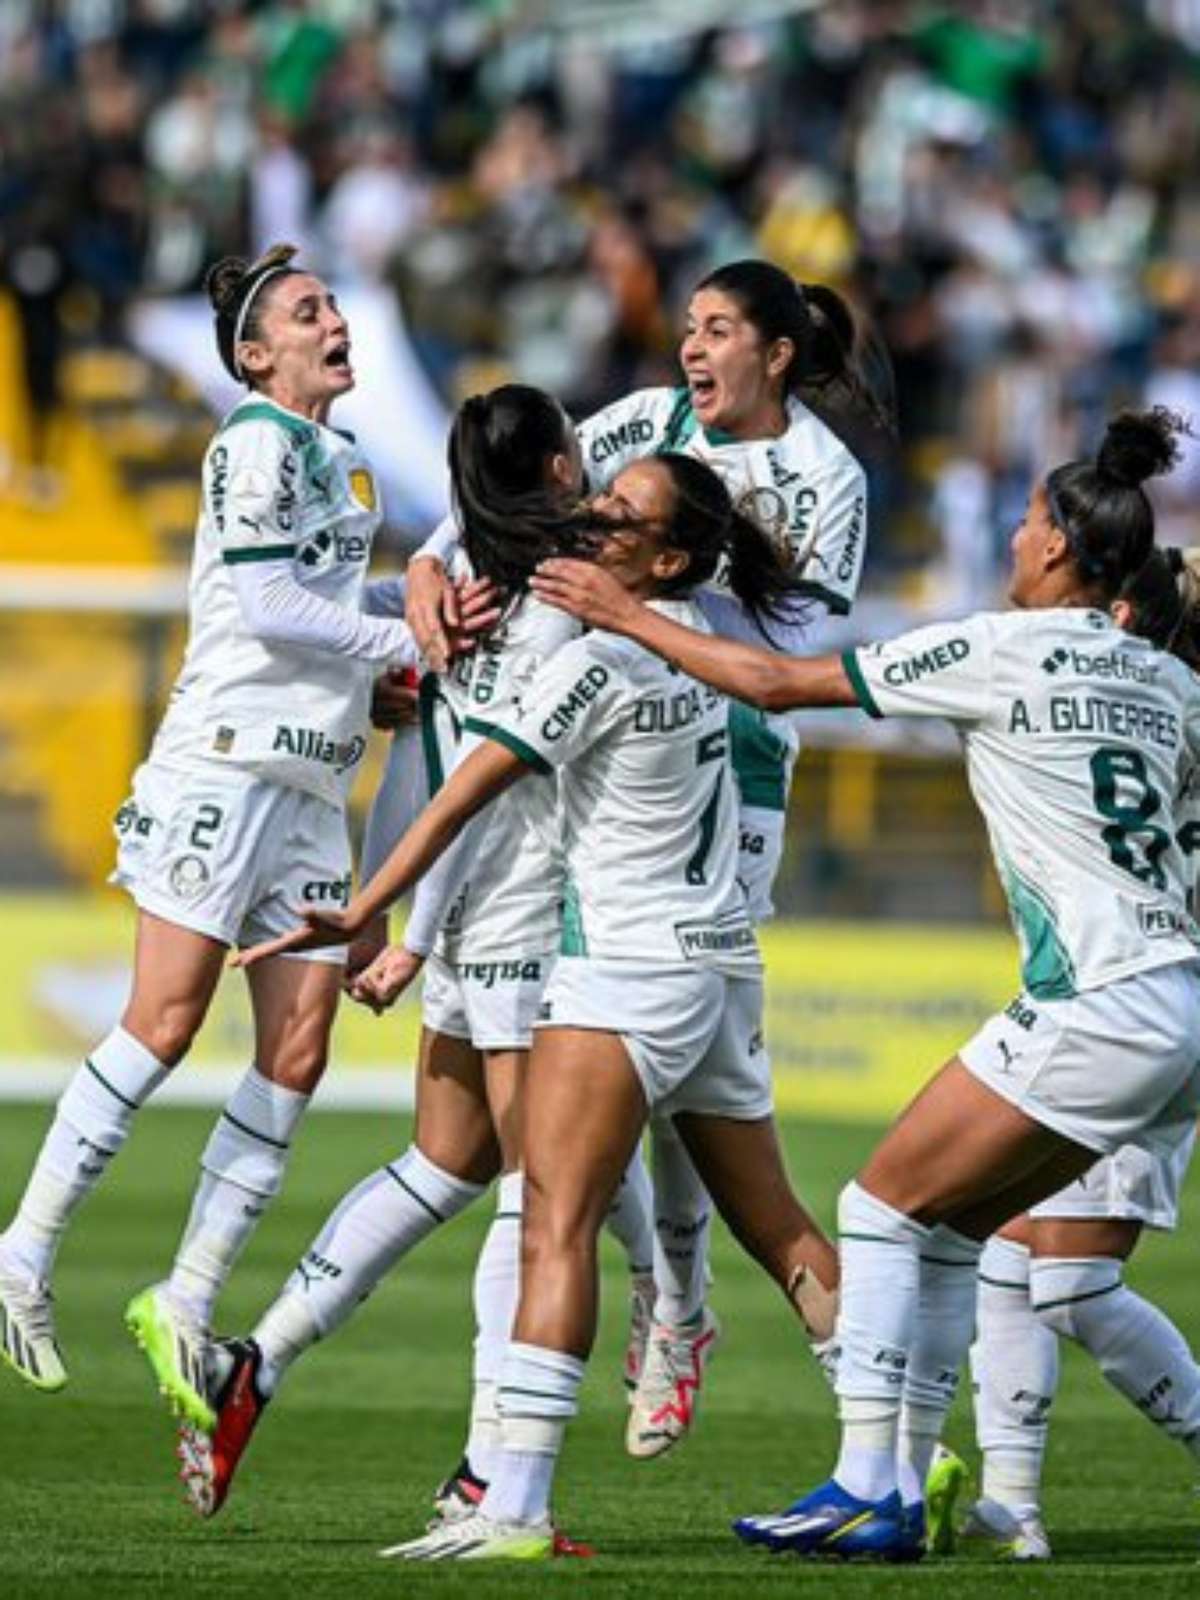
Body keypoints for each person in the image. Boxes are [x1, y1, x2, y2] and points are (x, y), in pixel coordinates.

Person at [530, 408, 1200, 1560]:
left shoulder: (999, 645)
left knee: (876, 1206)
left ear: (1052, 549)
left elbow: (778, 684)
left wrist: (626, 614)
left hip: (1098, 994)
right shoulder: (1168, 682)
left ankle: (865, 1481)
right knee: (951, 1233)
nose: (1012, 538)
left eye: (1028, 520)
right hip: (1178, 997)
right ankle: (894, 1483)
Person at [231, 450, 842, 1562]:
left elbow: (463, 789)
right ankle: (893, 1461)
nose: (593, 523)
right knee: (784, 1226)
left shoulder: (600, 665)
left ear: (665, 558)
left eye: (621, 519)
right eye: (599, 504)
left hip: (623, 972)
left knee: (553, 1218)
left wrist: (366, 907)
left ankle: (511, 1502)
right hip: (721, 970)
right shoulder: (709, 650)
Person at [406, 259, 890, 1457]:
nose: (690, 346)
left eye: (718, 328)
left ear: (778, 353)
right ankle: (757, 1350)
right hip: (596, 757)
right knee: (686, 1081)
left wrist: (651, 607)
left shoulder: (824, 478)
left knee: (642, 1083)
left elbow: (803, 642)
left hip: (725, 776)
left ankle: (662, 1320)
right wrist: (424, 572)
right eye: (687, 325)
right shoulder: (639, 422)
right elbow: (498, 509)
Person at [175, 386, 651, 1530]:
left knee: (449, 1162)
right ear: (552, 472)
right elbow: (473, 786)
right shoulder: (547, 608)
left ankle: (259, 1359)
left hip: (467, 910)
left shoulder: (467, 573)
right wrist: (410, 930)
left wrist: (389, 915)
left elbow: (421, 756)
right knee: (549, 1197)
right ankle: (500, 1465)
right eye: (579, 457)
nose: (591, 472)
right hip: (517, 915)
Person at [0, 243, 429, 1423]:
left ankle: (184, 1298)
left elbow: (332, 610)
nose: (335, 320)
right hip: (224, 770)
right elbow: (267, 606)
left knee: (299, 1052)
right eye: (306, 311)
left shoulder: (345, 464)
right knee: (166, 1020)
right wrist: (403, 644)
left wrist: (416, 608)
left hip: (306, 787)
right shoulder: (249, 440)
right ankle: (21, 1252)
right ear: (255, 353)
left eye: (334, 302)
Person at [958, 545, 1200, 1562]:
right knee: (1009, 1252)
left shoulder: (1165, 709)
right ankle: (1012, 1505)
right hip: (1120, 993)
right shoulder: (1166, 711)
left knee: (1069, 1286)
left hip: (1150, 1001)